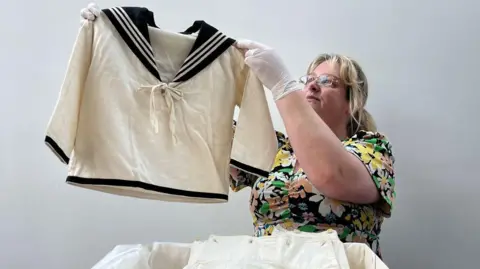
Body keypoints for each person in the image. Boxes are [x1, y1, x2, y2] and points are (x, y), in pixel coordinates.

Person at [80, 4, 396, 259]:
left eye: (328, 81)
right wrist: (122, 45)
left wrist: (282, 85)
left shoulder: (372, 150)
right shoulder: (273, 148)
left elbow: (332, 175)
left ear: (351, 103)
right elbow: (194, 127)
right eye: (306, 77)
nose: (311, 84)